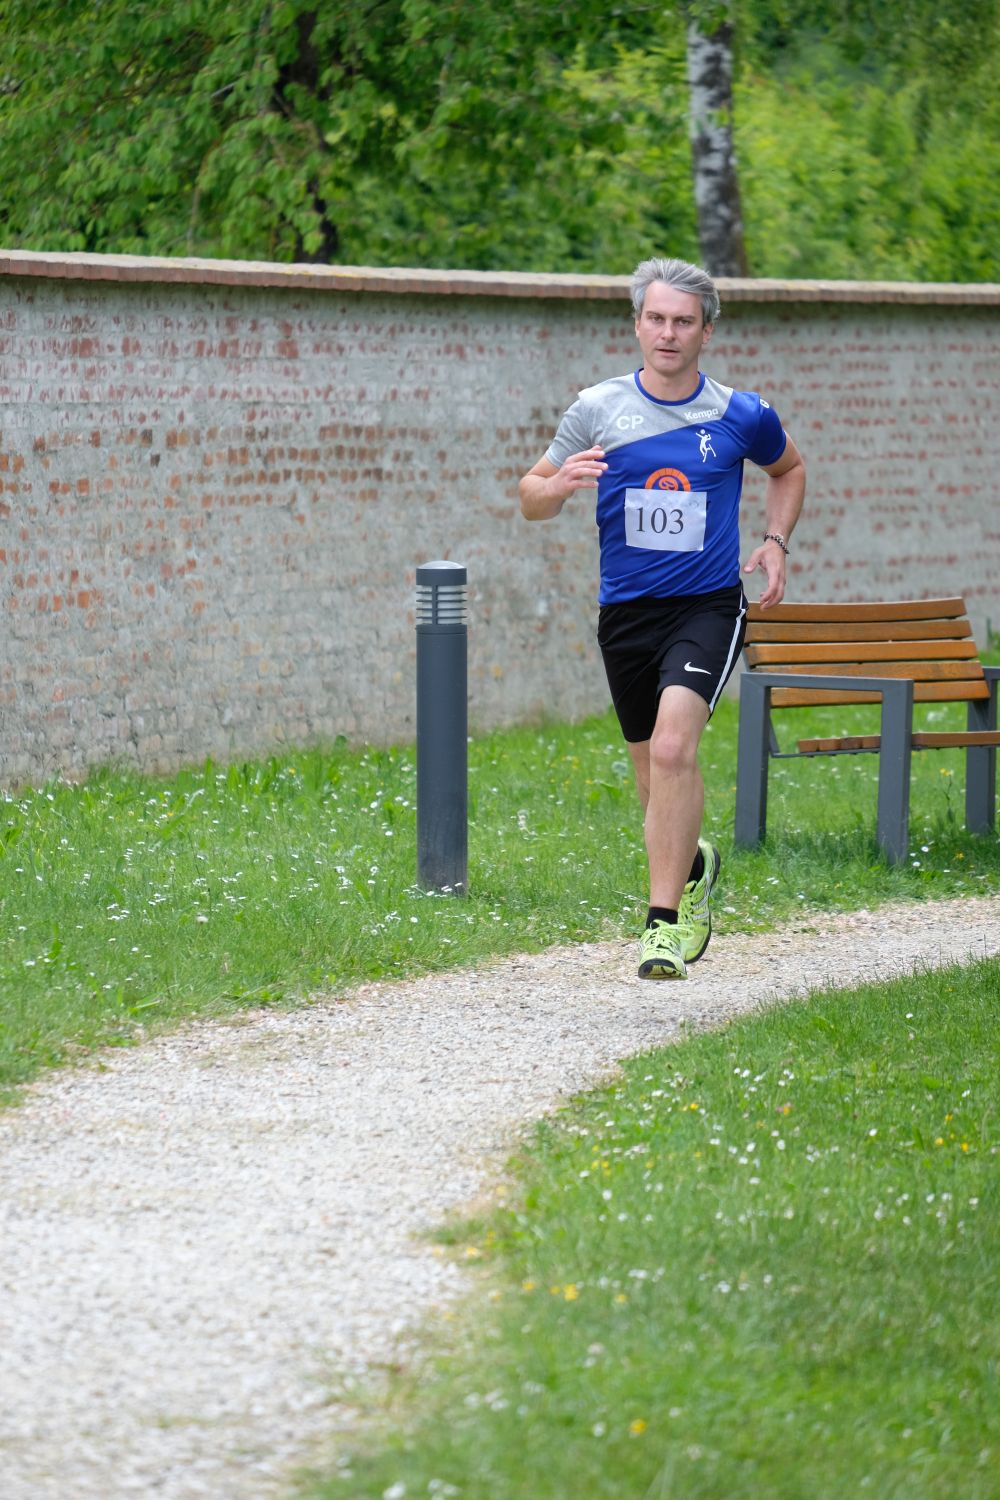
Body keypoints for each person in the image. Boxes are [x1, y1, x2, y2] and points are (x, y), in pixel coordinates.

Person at [518, 256, 805, 980]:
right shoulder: (597, 408)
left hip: (708, 605)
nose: (668, 333)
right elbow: (529, 496)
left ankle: (662, 928)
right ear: (637, 324)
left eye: (683, 321)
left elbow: (789, 469)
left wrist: (774, 542)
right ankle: (694, 863)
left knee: (676, 749)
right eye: (656, 319)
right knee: (653, 778)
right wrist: (561, 484)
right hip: (626, 615)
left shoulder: (741, 413)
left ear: (707, 332)